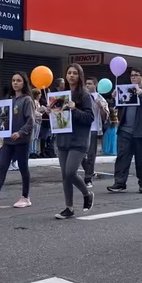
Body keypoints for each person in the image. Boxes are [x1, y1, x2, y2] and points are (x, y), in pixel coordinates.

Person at [0, 72, 35, 209]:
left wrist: (20, 132)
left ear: (24, 83)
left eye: (18, 80)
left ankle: (25, 197)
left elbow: (31, 121)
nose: (15, 83)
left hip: (22, 141)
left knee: (23, 168)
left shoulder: (27, 100)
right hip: (8, 140)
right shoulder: (9, 100)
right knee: (2, 167)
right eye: (13, 80)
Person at [53, 64, 95, 219]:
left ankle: (87, 194)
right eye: (69, 73)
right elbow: (58, 118)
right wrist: (49, 112)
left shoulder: (84, 95)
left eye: (75, 73)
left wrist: (74, 109)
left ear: (80, 76)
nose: (71, 75)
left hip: (79, 140)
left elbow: (89, 118)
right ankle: (69, 208)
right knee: (65, 175)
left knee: (70, 172)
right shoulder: (60, 95)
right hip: (63, 139)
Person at [107, 67, 142, 194]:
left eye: (136, 75)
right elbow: (116, 107)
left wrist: (141, 94)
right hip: (125, 130)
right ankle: (119, 183)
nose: (133, 77)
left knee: (141, 159)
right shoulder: (126, 90)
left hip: (141, 131)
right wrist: (113, 98)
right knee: (122, 157)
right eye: (131, 75)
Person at [81, 77, 109, 189]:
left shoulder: (100, 98)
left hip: (94, 128)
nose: (87, 86)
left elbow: (105, 116)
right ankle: (89, 171)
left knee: (91, 155)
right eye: (86, 84)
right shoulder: (82, 97)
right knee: (80, 153)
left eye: (89, 83)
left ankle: (88, 178)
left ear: (95, 85)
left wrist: (100, 106)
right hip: (82, 129)